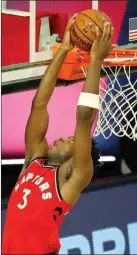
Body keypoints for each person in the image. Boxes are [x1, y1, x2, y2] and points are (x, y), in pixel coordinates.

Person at [2, 15, 115, 255]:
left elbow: (84, 121)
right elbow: (39, 104)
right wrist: (63, 50)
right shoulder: (35, 160)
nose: (62, 138)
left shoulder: (72, 177)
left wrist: (95, 60)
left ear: (78, 156)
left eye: (70, 141)